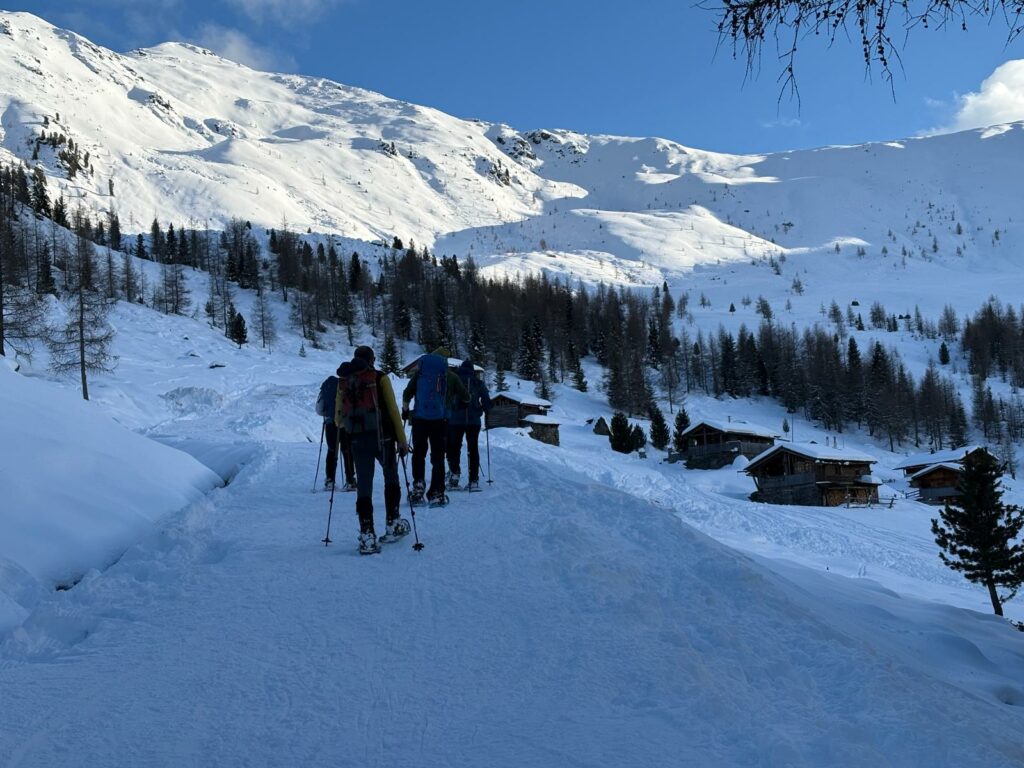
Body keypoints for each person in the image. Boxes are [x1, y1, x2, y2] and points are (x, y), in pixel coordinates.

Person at [336, 345, 411, 555]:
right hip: (383, 439)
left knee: (364, 486)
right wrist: (402, 440)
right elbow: (394, 411)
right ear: (372, 359)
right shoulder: (379, 378)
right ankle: (392, 523)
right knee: (391, 479)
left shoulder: (344, 381)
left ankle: (367, 534)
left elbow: (338, 417)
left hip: (358, 441)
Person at [401, 347, 470, 506]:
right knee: (438, 457)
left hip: (419, 419)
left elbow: (406, 394)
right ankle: (437, 492)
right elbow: (466, 397)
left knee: (419, 453)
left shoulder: (420, 374)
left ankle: (418, 487)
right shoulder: (450, 376)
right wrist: (461, 404)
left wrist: (405, 411)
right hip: (441, 421)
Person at [446, 360, 492, 491]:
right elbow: (487, 401)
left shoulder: (454, 380)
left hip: (455, 420)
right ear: (472, 370)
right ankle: (473, 480)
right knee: (473, 449)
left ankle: (454, 477)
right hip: (473, 421)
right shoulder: (478, 382)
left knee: (454, 448)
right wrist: (484, 408)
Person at [316, 363, 356, 492]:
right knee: (347, 450)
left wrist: (328, 414)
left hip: (330, 422)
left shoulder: (328, 385)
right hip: (346, 422)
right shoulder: (351, 384)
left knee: (332, 450)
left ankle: (329, 480)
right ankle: (350, 480)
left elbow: (319, 408)